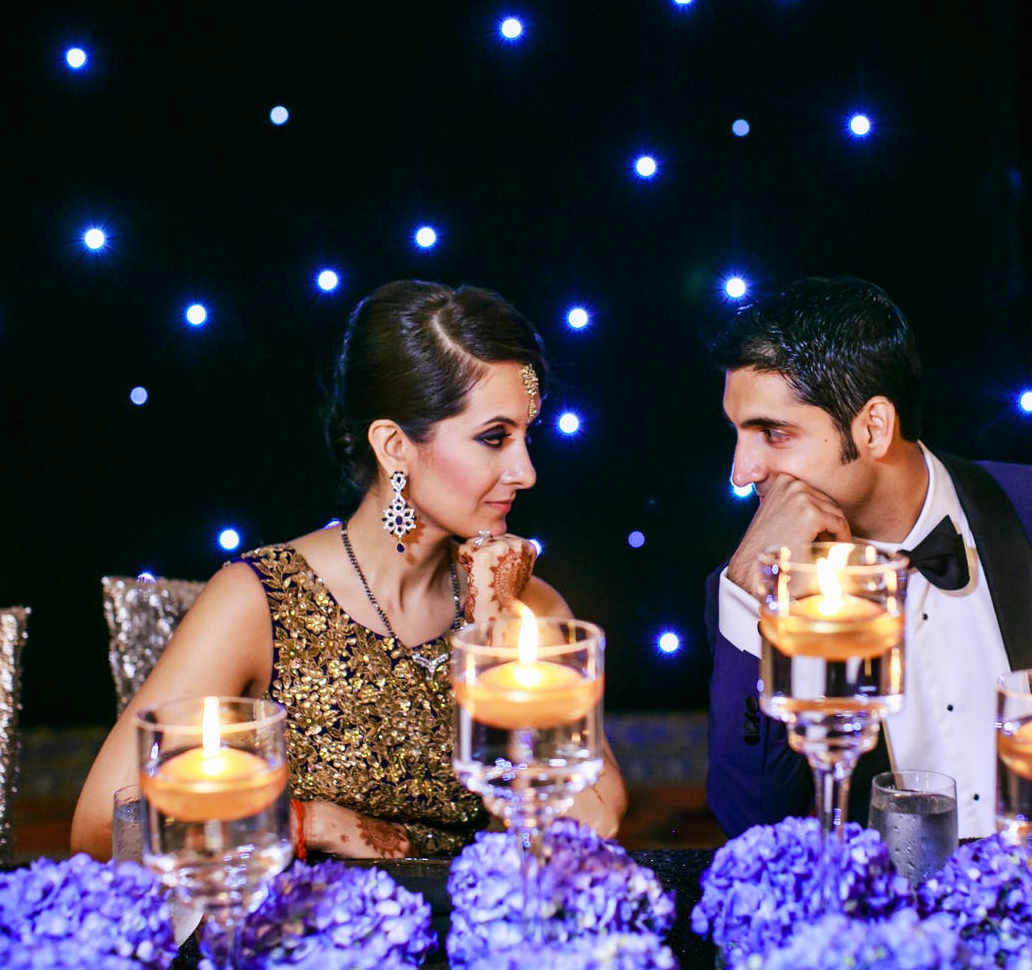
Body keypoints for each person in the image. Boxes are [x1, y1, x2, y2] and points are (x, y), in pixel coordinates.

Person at [73, 280, 627, 859]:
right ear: (394, 446)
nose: (526, 471)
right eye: (494, 438)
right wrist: (303, 823)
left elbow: (595, 824)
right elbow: (100, 828)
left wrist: (494, 640)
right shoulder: (264, 601)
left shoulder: (528, 606)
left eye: (526, 437)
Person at [704, 276, 1032, 839]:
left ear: (874, 427)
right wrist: (749, 599)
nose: (742, 471)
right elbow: (751, 822)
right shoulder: (753, 587)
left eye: (773, 434)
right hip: (885, 897)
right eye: (739, 434)